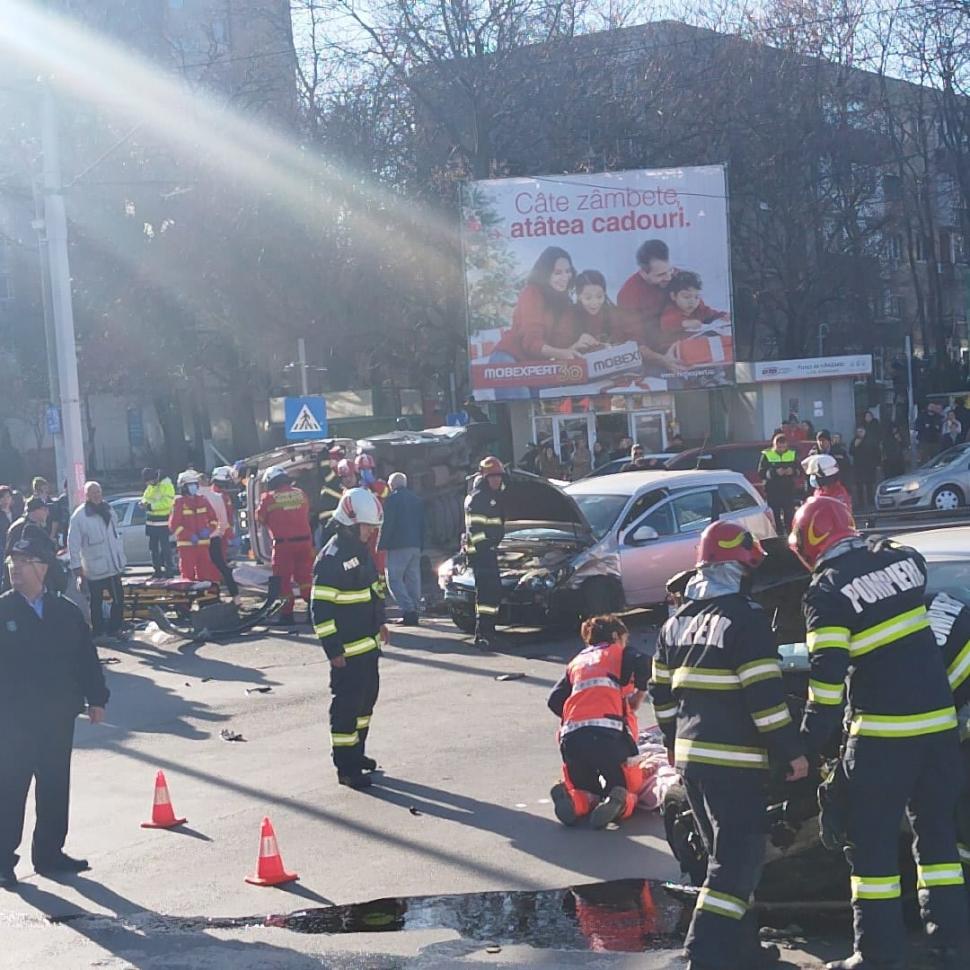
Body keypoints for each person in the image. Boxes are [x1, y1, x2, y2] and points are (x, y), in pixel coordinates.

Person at [790, 496, 969, 970]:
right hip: (939, 733)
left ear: (807, 546)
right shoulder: (904, 562)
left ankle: (877, 954)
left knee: (870, 847)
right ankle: (951, 945)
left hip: (883, 739)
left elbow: (826, 686)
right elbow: (908, 563)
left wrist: (805, 745)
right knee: (937, 841)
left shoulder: (826, 592)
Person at [650, 520, 807, 970]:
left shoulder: (676, 623)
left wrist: (673, 743)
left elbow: (661, 695)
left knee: (726, 861)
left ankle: (743, 952)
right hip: (734, 765)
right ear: (739, 569)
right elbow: (765, 699)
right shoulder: (746, 619)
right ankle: (703, 954)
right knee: (736, 866)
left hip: (692, 763)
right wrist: (790, 751)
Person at [0, 530, 109, 888]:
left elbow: (86, 658)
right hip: (13, 721)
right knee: (10, 789)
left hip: (57, 717)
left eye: (24, 562)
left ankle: (49, 854)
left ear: (43, 568)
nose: (15, 569)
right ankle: (2, 860)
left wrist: (97, 698)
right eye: (12, 562)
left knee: (54, 785)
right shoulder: (4, 610)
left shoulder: (65, 612)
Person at [310, 487, 388, 790]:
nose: (370, 533)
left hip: (368, 647)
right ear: (350, 524)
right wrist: (333, 650)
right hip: (347, 654)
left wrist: (381, 622)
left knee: (365, 704)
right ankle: (346, 767)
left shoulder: (359, 551)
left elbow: (373, 590)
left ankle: (357, 753)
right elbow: (321, 609)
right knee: (346, 709)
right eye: (367, 527)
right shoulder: (332, 558)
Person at [547, 614, 650, 829]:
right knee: (627, 786)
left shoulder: (577, 662)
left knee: (586, 790)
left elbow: (554, 700)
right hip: (607, 737)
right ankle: (619, 802)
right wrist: (638, 695)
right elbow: (645, 663)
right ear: (615, 636)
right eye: (624, 639)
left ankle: (575, 802)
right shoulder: (619, 653)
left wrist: (580, 713)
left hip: (571, 739)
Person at [489, 246, 591, 364]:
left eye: (568, 271)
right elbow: (531, 341)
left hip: (535, 365)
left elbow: (561, 342)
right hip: (509, 356)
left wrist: (577, 344)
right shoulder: (531, 293)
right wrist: (561, 353)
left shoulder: (565, 302)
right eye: (557, 273)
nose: (565, 278)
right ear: (545, 274)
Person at [67, 482, 127, 643]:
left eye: (99, 492)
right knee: (96, 602)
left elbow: (114, 535)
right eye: (93, 493)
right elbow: (73, 545)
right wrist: (77, 570)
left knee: (119, 599)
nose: (97, 495)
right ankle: (98, 632)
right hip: (94, 568)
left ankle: (115, 629)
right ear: (86, 495)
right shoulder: (79, 516)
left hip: (113, 565)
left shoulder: (108, 509)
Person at [614, 238, 686, 374]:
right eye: (661, 275)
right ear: (643, 273)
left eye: (670, 270)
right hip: (652, 357)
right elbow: (635, 344)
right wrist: (664, 360)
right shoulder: (628, 294)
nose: (669, 277)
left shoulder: (675, 275)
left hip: (681, 344)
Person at [256, 465, 314, 625]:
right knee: (305, 578)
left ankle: (287, 615)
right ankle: (313, 611)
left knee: (283, 580)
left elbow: (260, 518)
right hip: (305, 543)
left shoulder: (268, 498)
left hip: (284, 546)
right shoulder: (300, 493)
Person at [463, 456, 506, 649]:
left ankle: (489, 631)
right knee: (487, 594)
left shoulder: (492, 496)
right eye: (493, 476)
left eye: (499, 476)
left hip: (488, 552)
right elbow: (476, 529)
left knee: (493, 592)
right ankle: (483, 634)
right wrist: (486, 549)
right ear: (485, 477)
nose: (497, 480)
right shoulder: (479, 498)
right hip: (481, 554)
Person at [378, 472, 424, 626]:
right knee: (413, 579)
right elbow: (423, 524)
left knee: (394, 579)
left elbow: (388, 524)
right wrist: (421, 545)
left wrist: (381, 544)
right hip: (415, 545)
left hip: (398, 546)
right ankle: (415, 610)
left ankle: (408, 610)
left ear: (392, 485)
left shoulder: (392, 500)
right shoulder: (416, 500)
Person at [169, 469, 221, 585]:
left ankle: (204, 596)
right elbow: (174, 525)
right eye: (190, 485)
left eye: (195, 484)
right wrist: (189, 536)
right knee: (188, 576)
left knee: (205, 575)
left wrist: (208, 530)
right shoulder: (179, 502)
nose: (194, 487)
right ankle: (188, 596)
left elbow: (214, 520)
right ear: (183, 487)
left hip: (203, 545)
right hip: (187, 546)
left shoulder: (203, 500)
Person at [659, 270, 729, 349]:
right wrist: (684, 323)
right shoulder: (671, 310)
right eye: (686, 297)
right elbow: (667, 322)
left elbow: (710, 314)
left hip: (696, 343)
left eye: (696, 297)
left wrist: (722, 315)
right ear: (673, 296)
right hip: (673, 347)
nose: (692, 301)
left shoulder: (699, 307)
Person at [202, 468, 240, 602]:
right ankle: (217, 595)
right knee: (217, 567)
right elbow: (224, 519)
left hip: (214, 535)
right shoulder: (218, 496)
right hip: (218, 535)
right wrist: (230, 535)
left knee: (215, 567)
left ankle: (214, 595)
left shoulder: (217, 495)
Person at [758, 432, 799, 534]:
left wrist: (792, 471)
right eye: (779, 447)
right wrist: (774, 472)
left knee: (789, 517)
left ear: (786, 445)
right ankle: (779, 536)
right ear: (774, 445)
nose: (781, 449)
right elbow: (761, 473)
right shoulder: (767, 455)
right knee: (775, 517)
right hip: (773, 492)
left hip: (788, 491)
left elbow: (800, 471)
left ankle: (790, 536)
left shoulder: (792, 454)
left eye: (783, 447)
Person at [140, 468, 175, 578]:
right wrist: (143, 503)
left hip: (163, 521)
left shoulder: (166, 485)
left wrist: (150, 506)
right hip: (151, 522)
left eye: (149, 481)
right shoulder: (151, 486)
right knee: (153, 548)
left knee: (165, 548)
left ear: (154, 478)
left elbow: (168, 502)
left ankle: (169, 571)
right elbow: (145, 497)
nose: (148, 484)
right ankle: (157, 571)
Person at [849, 426, 880, 510]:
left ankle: (871, 502)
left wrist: (877, 464)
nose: (860, 433)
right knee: (859, 485)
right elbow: (851, 451)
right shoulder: (855, 440)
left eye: (861, 431)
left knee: (869, 484)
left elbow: (876, 451)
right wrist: (856, 445)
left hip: (869, 465)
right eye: (858, 431)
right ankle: (861, 503)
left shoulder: (870, 440)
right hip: (858, 466)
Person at [318, 445, 346, 535]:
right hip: (331, 520)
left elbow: (324, 468)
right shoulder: (336, 479)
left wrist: (324, 452)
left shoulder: (334, 479)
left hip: (329, 521)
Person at [0, 486, 14, 559]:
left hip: (15, 548)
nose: (6, 500)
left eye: (8, 497)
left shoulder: (16, 512)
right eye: (2, 497)